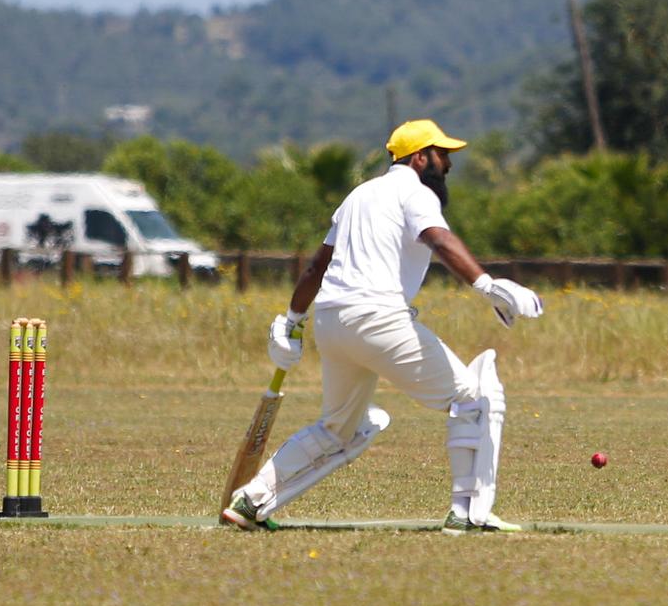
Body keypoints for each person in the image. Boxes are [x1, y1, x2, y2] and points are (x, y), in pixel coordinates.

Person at [220, 119, 546, 534]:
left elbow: (318, 266)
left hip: (333, 322)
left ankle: (252, 500)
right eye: (442, 155)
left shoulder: (358, 195)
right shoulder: (416, 193)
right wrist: (487, 286)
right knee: (475, 397)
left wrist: (293, 320)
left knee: (339, 429)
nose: (448, 165)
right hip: (378, 317)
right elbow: (439, 240)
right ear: (419, 157)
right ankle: (467, 514)